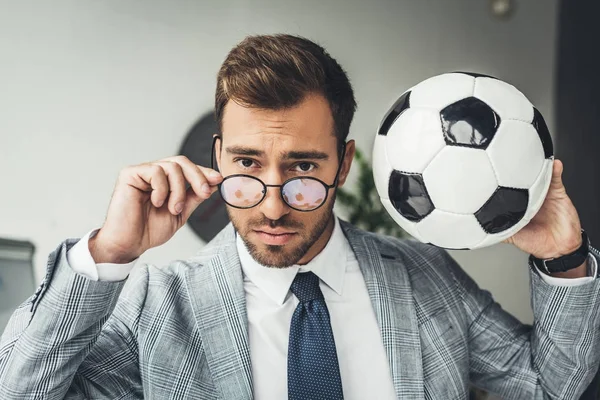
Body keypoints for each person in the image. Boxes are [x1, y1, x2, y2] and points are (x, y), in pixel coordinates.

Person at [0, 34, 599, 400]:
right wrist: (107, 254)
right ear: (217, 157)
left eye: (304, 167)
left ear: (344, 162)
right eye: (247, 163)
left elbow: (551, 386)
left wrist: (564, 260)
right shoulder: (157, 304)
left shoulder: (426, 277)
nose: (272, 201)